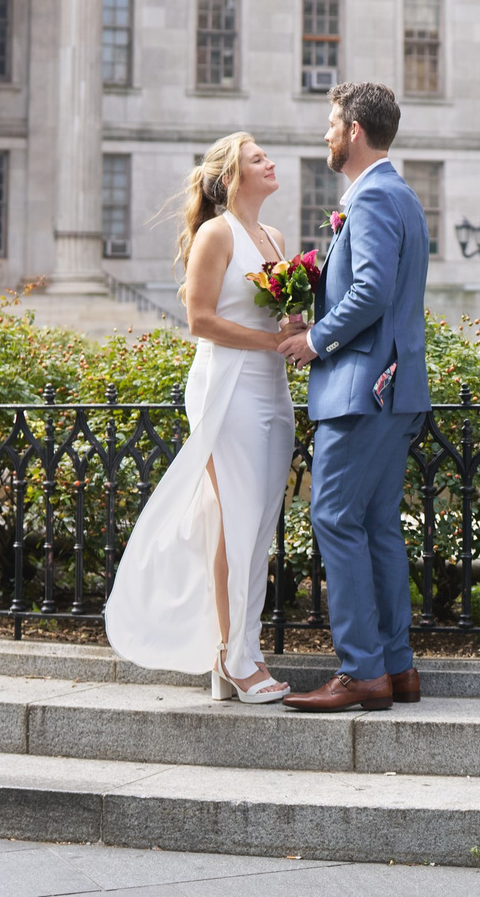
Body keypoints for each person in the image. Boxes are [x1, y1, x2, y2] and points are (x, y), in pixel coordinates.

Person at [105, 133, 299, 704]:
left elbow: (268, 317)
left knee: (257, 525)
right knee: (236, 520)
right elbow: (200, 321)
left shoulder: (275, 237)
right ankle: (237, 658)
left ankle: (237, 648)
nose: (270, 162)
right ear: (234, 176)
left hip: (271, 384)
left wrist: (293, 327)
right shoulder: (216, 234)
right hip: (228, 384)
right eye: (258, 158)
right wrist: (270, 340)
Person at [277, 82, 431, 714]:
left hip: (363, 390)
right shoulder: (402, 195)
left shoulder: (370, 198)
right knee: (375, 527)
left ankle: (361, 672)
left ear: (356, 131)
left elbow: (370, 292)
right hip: (394, 388)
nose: (326, 134)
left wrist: (315, 339)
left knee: (334, 518)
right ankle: (396, 669)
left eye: (332, 124)